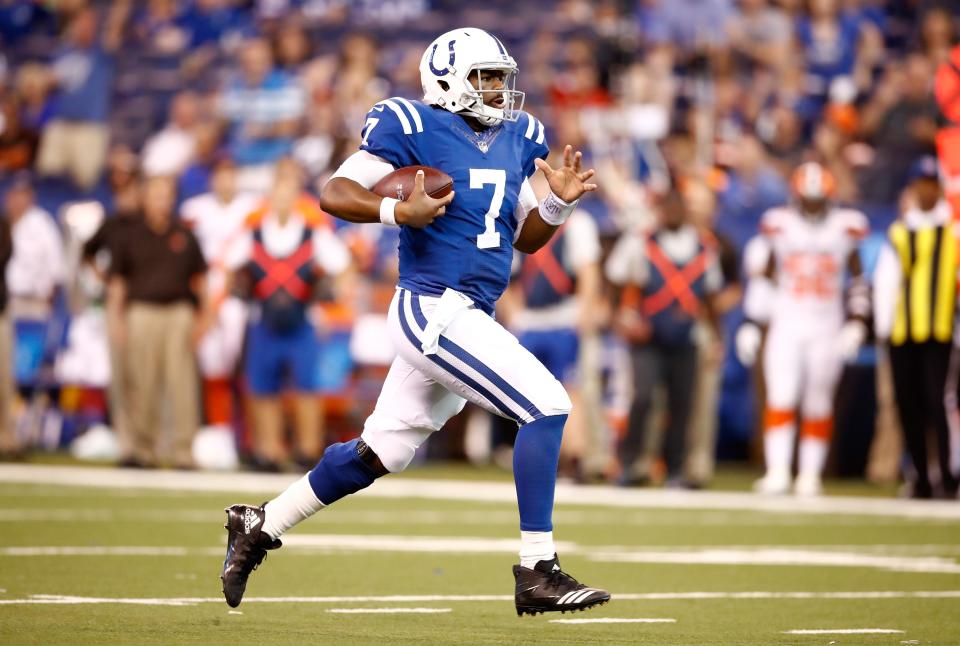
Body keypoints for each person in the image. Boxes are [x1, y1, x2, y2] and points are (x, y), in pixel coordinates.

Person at [220, 27, 610, 616]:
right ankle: (538, 569)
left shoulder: (518, 138)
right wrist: (395, 210)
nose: (500, 89)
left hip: (469, 312)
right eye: (485, 76)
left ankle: (261, 522)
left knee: (381, 452)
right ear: (450, 81)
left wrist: (558, 204)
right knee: (547, 404)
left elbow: (525, 239)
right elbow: (335, 190)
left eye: (502, 77)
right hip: (431, 305)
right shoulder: (412, 124)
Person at [736, 162, 870, 496]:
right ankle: (778, 470)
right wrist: (753, 322)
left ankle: (810, 473)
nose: (812, 206)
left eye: (818, 199)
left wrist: (856, 322)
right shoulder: (779, 226)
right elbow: (765, 279)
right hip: (787, 321)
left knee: (819, 401)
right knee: (781, 395)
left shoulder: (846, 228)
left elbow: (857, 282)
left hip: (827, 323)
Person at [221, 160, 350, 469]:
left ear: (296, 196)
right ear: (270, 195)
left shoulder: (311, 233)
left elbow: (343, 265)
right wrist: (236, 291)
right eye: (278, 191)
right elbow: (227, 265)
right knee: (263, 389)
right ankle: (268, 451)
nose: (282, 198)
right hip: (263, 319)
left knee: (307, 387)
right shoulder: (253, 234)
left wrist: (332, 299)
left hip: (302, 319)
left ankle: (308, 451)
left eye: (288, 191)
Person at [606, 189, 723, 488]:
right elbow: (616, 281)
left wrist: (717, 338)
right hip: (649, 335)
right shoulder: (640, 241)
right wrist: (623, 317)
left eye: (677, 206)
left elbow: (710, 298)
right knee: (643, 396)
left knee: (682, 404)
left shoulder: (703, 246)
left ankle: (676, 469)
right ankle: (630, 463)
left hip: (687, 337)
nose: (671, 212)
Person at [873, 157, 959, 499]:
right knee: (908, 404)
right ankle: (921, 476)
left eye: (931, 184)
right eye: (920, 184)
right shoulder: (900, 232)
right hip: (902, 331)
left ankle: (950, 476)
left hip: (940, 332)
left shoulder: (952, 233)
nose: (925, 190)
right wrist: (883, 329)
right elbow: (885, 283)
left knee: (939, 403)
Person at [108, 175, 207, 468]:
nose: (162, 201)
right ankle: (142, 449)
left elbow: (201, 282)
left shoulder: (185, 234)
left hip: (178, 312)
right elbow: (118, 284)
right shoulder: (130, 235)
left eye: (166, 195)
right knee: (141, 381)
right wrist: (117, 320)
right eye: (156, 195)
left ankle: (182, 451)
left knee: (181, 384)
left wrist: (204, 319)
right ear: (145, 198)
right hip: (140, 311)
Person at [180, 157, 259, 428]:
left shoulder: (252, 207)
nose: (225, 182)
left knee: (238, 360)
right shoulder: (194, 209)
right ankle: (215, 426)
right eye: (220, 175)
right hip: (202, 289)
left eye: (230, 175)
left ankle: (239, 430)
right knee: (210, 363)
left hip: (238, 293)